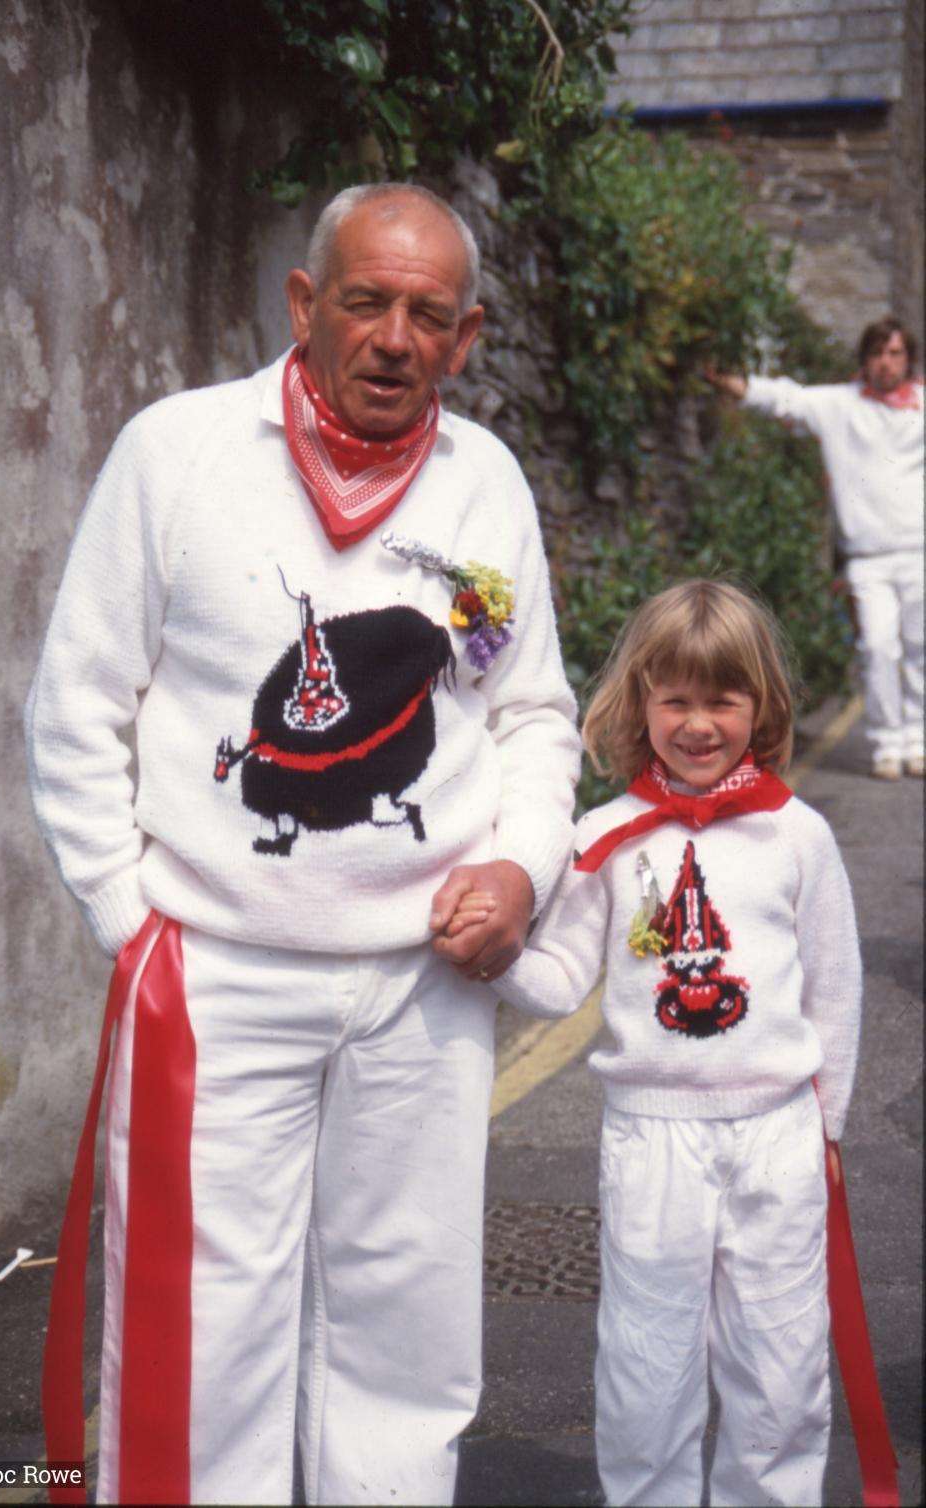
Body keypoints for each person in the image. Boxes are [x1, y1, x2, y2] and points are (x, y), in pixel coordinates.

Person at [24, 182, 580, 1505]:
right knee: (200, 1334)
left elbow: (535, 715)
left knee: (409, 1338)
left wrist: (523, 867)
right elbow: (77, 705)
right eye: (365, 301)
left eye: (426, 314)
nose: (392, 336)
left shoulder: (485, 483)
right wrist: (129, 919)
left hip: (425, 990)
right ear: (303, 303)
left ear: (466, 335)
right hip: (218, 981)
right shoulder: (178, 454)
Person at [441, 579, 862, 1507]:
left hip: (778, 1135)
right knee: (646, 1359)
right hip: (650, 1137)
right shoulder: (606, 840)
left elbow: (834, 993)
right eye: (675, 698)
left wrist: (819, 1133)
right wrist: (497, 953)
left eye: (724, 699)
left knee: (781, 1358)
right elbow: (557, 983)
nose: (699, 723)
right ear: (639, 703)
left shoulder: (800, 837)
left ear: (764, 706)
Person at [703, 317, 924, 781]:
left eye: (895, 353)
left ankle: (917, 739)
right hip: (868, 556)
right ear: (865, 360)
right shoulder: (841, 405)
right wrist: (730, 383)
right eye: (878, 353)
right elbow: (787, 397)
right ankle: (887, 743)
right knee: (879, 647)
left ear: (908, 359)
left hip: (919, 551)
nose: (886, 363)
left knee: (920, 646)